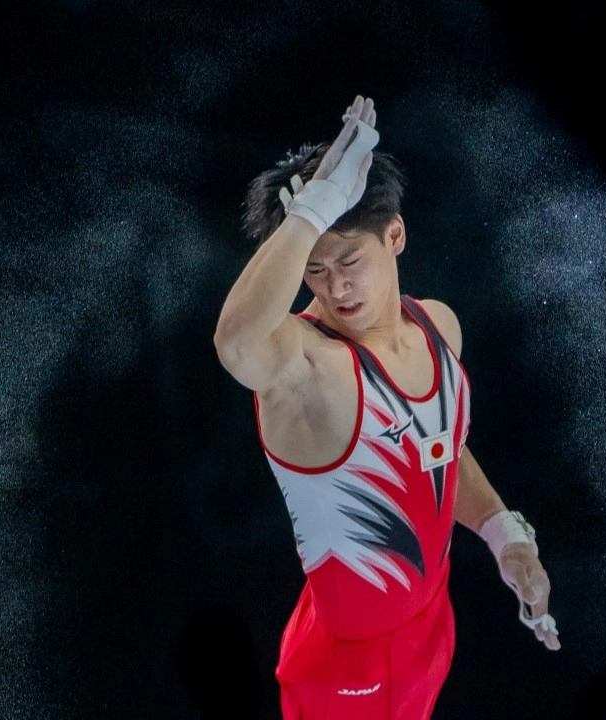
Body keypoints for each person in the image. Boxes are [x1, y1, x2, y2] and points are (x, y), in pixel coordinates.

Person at [213, 94, 559, 720]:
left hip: (431, 630)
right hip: (346, 670)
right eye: (313, 269)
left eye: (349, 260)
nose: (336, 286)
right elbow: (236, 343)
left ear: (395, 235)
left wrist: (503, 533)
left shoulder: (439, 328)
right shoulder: (307, 368)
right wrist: (309, 213)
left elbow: (439, 450)